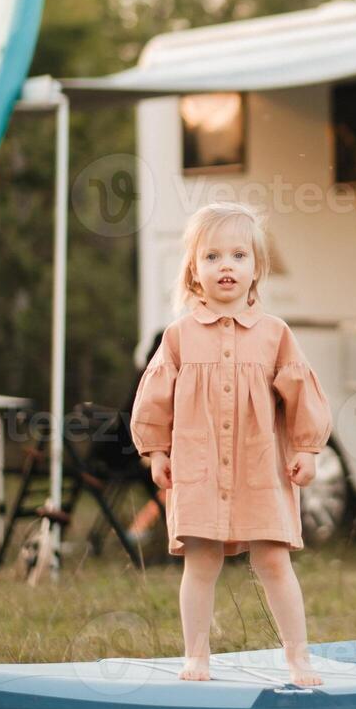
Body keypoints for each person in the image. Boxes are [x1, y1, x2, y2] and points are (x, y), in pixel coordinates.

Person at [130, 200, 333, 683]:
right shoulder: (178, 336)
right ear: (194, 272)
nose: (227, 266)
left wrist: (306, 448)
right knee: (201, 561)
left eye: (239, 256)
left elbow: (301, 389)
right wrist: (157, 451)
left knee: (273, 559)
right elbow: (154, 395)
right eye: (213, 257)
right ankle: (196, 655)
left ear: (257, 268)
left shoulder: (274, 334)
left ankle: (298, 655)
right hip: (198, 468)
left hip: (261, 467)